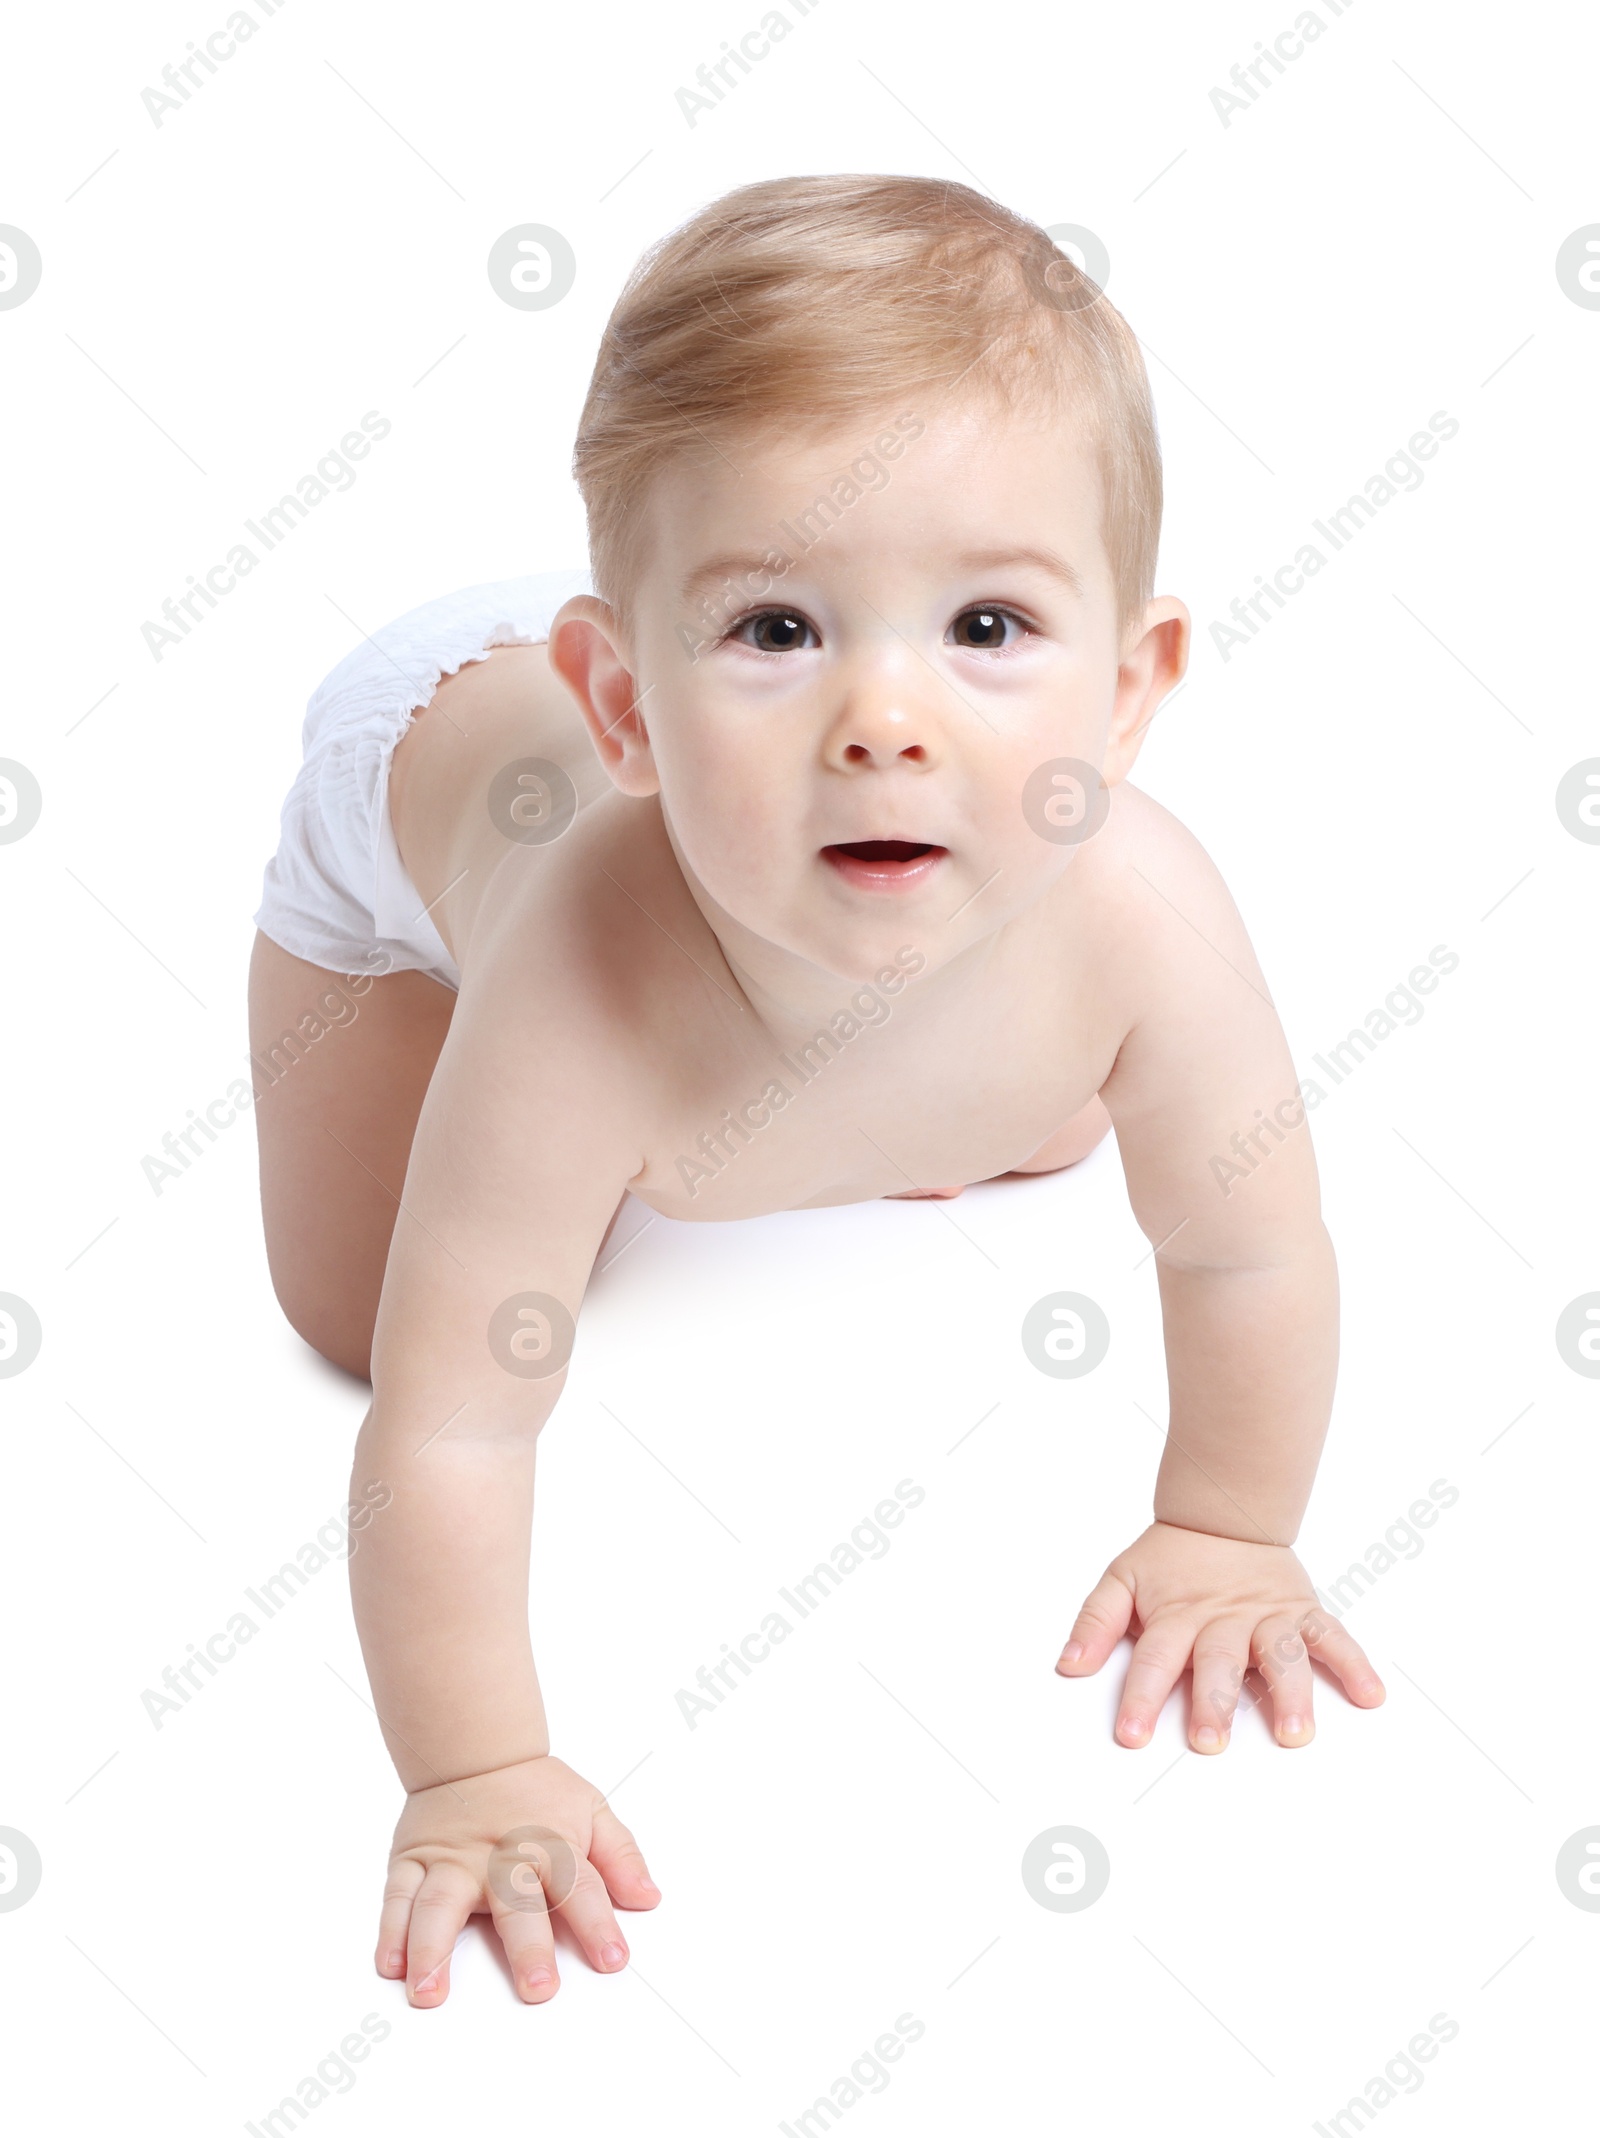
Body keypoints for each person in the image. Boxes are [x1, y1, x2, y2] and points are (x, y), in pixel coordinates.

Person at [248, 174, 1384, 2010]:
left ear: (1131, 683)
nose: (884, 717)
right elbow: (454, 1433)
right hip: (420, 800)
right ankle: (718, 1056)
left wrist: (1227, 1524)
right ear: (623, 705)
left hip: (822, 868)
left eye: (990, 630)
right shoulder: (572, 992)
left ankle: (878, 1047)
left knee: (1048, 1099)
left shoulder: (1145, 916)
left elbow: (1250, 1249)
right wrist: (474, 1770)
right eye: (776, 630)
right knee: (370, 1319)